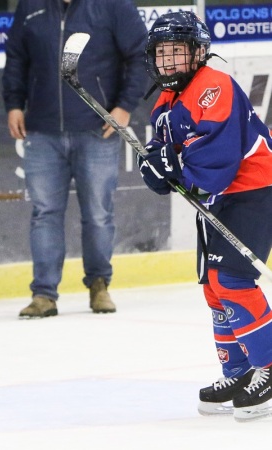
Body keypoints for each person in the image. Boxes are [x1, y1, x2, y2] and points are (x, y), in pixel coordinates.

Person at [137, 11, 272, 421]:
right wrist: (156, 169)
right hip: (221, 198)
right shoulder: (165, 103)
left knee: (231, 279)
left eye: (176, 52)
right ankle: (240, 370)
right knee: (214, 286)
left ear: (197, 53)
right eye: (162, 53)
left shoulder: (214, 87)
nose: (168, 62)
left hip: (253, 190)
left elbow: (217, 161)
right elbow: (167, 160)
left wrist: (174, 169)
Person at [2, 0, 148, 318]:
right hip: (42, 130)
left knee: (97, 213)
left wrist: (124, 107)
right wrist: (14, 103)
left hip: (97, 129)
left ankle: (99, 285)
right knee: (44, 214)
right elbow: (16, 56)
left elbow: (140, 54)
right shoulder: (31, 6)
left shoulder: (113, 6)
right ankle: (43, 294)